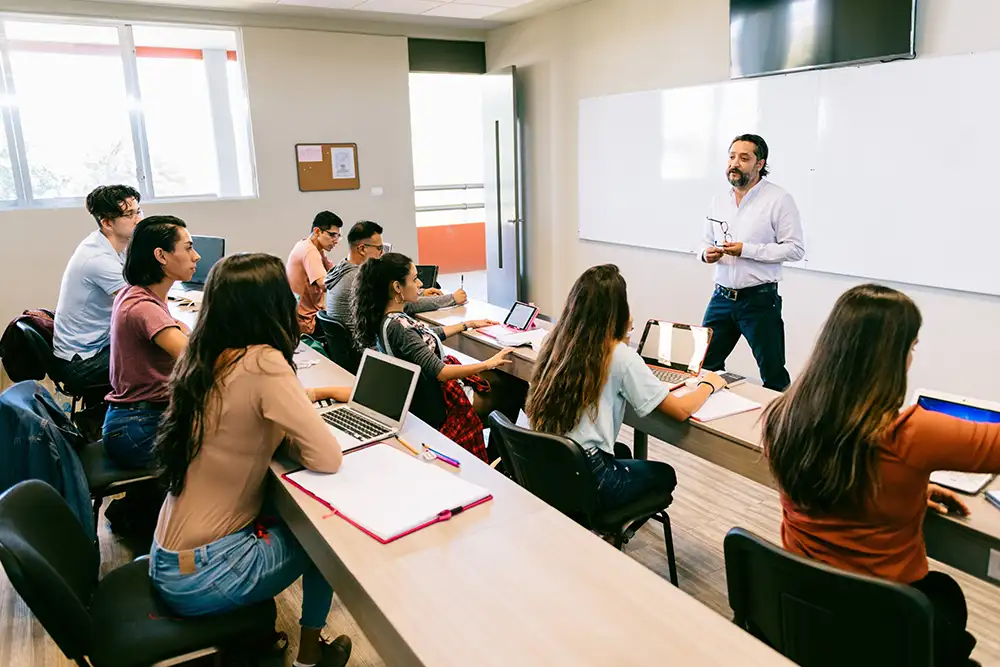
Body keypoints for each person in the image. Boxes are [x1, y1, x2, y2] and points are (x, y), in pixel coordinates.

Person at [764, 283, 1000, 667]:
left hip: (804, 607)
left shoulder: (783, 416)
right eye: (910, 348)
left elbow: (836, 481)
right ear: (890, 357)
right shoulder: (911, 434)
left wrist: (905, 488)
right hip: (879, 625)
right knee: (945, 598)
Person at [150, 253, 354, 667]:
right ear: (274, 303)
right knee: (327, 537)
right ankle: (311, 656)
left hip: (169, 559)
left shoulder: (204, 356)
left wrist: (294, 416)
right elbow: (327, 457)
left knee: (293, 515)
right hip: (206, 573)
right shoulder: (263, 360)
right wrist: (297, 429)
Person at [525, 264, 727, 511]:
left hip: (548, 464)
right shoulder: (619, 355)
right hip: (590, 475)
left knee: (622, 450)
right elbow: (682, 410)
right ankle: (608, 532)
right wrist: (709, 384)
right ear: (618, 311)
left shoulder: (556, 341)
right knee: (664, 474)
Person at [353, 253, 523, 461]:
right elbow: (441, 372)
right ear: (397, 287)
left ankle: (496, 456)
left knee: (503, 381)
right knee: (516, 389)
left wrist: (466, 325)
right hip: (441, 403)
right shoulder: (401, 328)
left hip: (421, 399)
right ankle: (497, 458)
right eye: (414, 279)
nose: (420, 283)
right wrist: (487, 363)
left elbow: (425, 339)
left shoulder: (386, 317)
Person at [699, 134, 805, 391]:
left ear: (760, 164)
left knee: (773, 374)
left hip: (759, 301)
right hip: (721, 298)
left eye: (744, 158)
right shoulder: (719, 200)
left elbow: (795, 249)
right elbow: (703, 242)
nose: (735, 163)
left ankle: (778, 428)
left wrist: (747, 250)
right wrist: (706, 254)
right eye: (732, 156)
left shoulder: (779, 199)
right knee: (703, 366)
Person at [102, 216, 199, 470]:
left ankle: (138, 506)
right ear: (161, 255)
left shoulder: (136, 293)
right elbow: (197, 360)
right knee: (237, 444)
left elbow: (182, 331)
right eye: (188, 248)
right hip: (139, 429)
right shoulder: (145, 307)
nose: (196, 256)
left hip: (133, 420)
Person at [52, 185, 143, 394]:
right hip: (82, 363)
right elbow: (138, 306)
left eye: (138, 211)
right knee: (158, 356)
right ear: (107, 223)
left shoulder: (115, 245)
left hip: (97, 344)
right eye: (129, 214)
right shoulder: (98, 259)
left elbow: (140, 286)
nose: (138, 219)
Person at [324, 220, 466, 327]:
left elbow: (391, 297)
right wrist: (451, 298)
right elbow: (403, 304)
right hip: (367, 350)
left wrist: (420, 292)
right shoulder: (359, 279)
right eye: (379, 248)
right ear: (362, 249)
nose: (382, 253)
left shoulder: (341, 269)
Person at [287, 211, 342, 336]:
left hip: (302, 316)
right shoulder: (309, 251)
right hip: (306, 322)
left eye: (338, 236)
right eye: (332, 235)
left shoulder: (311, 246)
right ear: (317, 232)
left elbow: (333, 271)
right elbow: (325, 284)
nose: (336, 241)